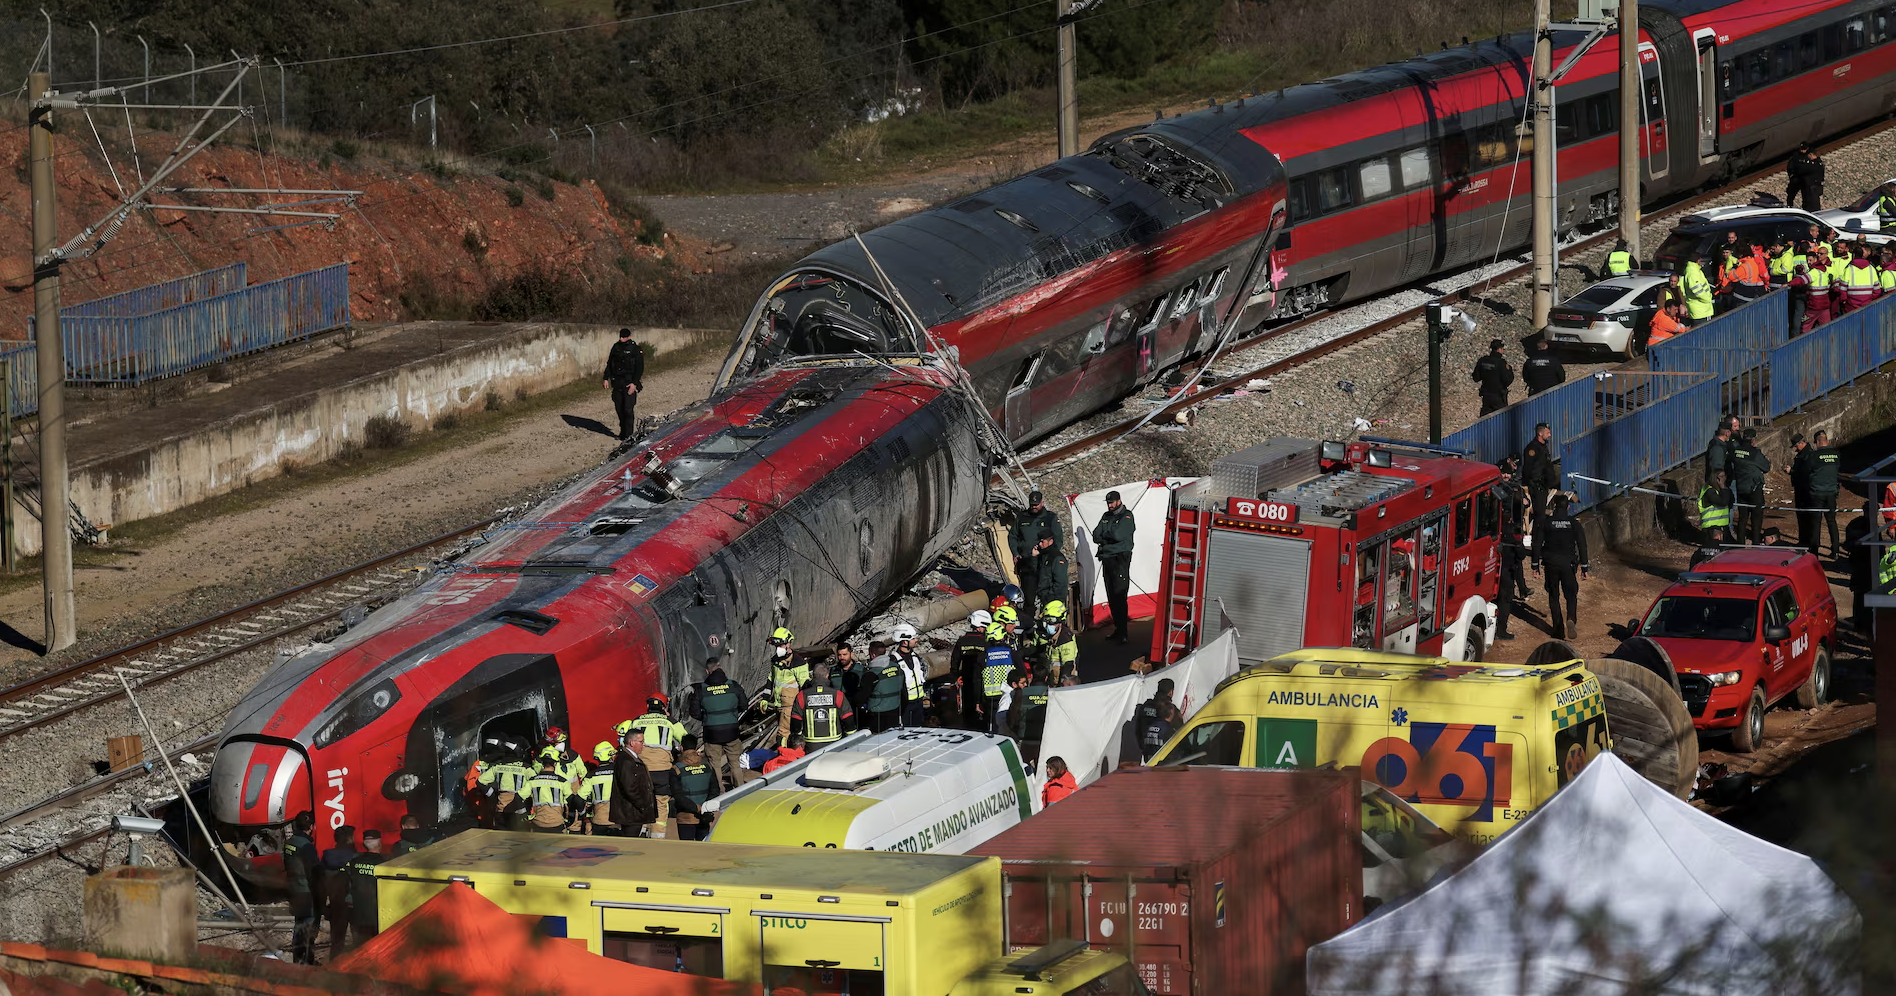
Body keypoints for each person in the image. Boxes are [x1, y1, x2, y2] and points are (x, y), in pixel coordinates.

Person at [1531, 493, 1589, 640]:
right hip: (1568, 564)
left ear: (1554, 506)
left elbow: (1537, 543)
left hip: (1551, 564)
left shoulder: (1546, 522)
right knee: (1571, 594)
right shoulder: (1573, 523)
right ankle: (1571, 618)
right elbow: (1582, 544)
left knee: (1553, 596)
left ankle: (1558, 629)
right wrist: (1584, 567)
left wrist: (1534, 565)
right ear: (1568, 507)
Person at [1008, 491, 1069, 621]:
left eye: (1037, 504)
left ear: (1042, 502)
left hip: (1044, 564)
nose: (1034, 507)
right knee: (1028, 600)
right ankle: (1029, 629)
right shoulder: (1022, 517)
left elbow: (1058, 540)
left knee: (1046, 596)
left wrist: (1050, 556)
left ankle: (1049, 623)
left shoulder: (1050, 517)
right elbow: (1012, 537)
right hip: (1028, 564)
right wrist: (1016, 554)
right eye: (1032, 504)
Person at [693, 661, 750, 792]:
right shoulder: (733, 685)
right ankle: (739, 788)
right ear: (721, 667)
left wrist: (707, 718)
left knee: (715, 764)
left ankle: (719, 791)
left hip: (711, 732)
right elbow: (744, 705)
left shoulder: (701, 689)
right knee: (735, 763)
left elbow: (694, 711)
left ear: (707, 671)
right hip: (731, 731)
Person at [1091, 490, 1137, 643]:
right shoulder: (1106, 516)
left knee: (1119, 595)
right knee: (1111, 595)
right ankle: (1118, 629)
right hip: (1107, 558)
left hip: (1120, 559)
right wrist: (1108, 536)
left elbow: (1118, 536)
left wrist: (1106, 536)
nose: (1110, 505)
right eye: (1108, 503)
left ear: (1119, 501)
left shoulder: (1127, 516)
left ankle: (1123, 632)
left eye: (1112, 502)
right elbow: (1095, 535)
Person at [1495, 456, 1529, 641]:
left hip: (1500, 562)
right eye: (1504, 473)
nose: (1506, 476)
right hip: (1506, 565)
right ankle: (1500, 631)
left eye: (1508, 473)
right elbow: (1521, 552)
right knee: (1506, 597)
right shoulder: (1512, 531)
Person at [283, 811, 322, 965]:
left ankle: (298, 960)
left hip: (293, 891)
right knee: (308, 928)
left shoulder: (289, 843)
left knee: (299, 926)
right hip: (306, 893)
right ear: (311, 827)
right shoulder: (307, 847)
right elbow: (315, 873)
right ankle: (306, 962)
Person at [793, 663, 855, 746]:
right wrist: (851, 739)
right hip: (834, 743)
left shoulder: (802, 695)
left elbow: (796, 720)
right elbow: (848, 718)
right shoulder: (837, 695)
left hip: (811, 744)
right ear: (827, 675)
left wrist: (799, 738)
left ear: (812, 675)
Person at [321, 826, 359, 962]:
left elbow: (320, 881)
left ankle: (334, 971)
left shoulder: (327, 856)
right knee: (359, 942)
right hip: (354, 904)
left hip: (336, 903)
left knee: (337, 942)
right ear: (350, 839)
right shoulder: (356, 857)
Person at [610, 732, 658, 837]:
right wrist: (643, 805)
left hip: (634, 813)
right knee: (630, 844)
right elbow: (629, 788)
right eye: (641, 742)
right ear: (632, 742)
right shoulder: (626, 761)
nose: (644, 744)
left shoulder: (633, 759)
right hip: (631, 814)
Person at [766, 627, 808, 747]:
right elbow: (771, 679)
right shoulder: (775, 661)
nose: (778, 649)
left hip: (791, 707)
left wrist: (801, 708)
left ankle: (785, 757)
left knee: (784, 735)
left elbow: (804, 686)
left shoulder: (798, 663)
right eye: (777, 646)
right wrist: (765, 698)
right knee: (785, 734)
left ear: (789, 644)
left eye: (781, 645)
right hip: (779, 705)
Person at [601, 328, 645, 440]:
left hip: (629, 383)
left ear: (629, 336)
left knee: (628, 409)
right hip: (617, 382)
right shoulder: (616, 347)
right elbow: (610, 363)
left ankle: (629, 435)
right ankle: (623, 433)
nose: (622, 338)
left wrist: (634, 383)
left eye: (624, 336)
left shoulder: (635, 349)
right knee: (619, 409)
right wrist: (606, 378)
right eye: (621, 336)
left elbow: (639, 368)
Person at [345, 830, 385, 949]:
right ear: (380, 843)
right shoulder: (385, 864)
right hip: (376, 915)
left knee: (359, 948)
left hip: (357, 913)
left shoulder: (354, 862)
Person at [1728, 428, 1769, 545]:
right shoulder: (1755, 453)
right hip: (1754, 489)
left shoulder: (1736, 451)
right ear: (1753, 440)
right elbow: (1766, 468)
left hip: (1741, 488)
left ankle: (1740, 543)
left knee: (1742, 518)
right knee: (1756, 519)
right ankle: (1756, 543)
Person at [671, 739, 717, 841]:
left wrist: (695, 808)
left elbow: (678, 796)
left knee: (687, 850)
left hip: (685, 817)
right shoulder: (708, 766)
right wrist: (705, 808)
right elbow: (715, 790)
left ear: (681, 748)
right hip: (704, 816)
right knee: (703, 849)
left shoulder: (676, 769)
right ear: (696, 749)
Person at [1807, 429, 1842, 558]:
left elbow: (1808, 470)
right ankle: (1836, 550)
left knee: (1816, 523)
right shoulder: (1836, 454)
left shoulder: (1814, 456)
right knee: (1832, 521)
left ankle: (1814, 552)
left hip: (1817, 493)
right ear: (1827, 441)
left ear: (1817, 442)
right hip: (1832, 493)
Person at [956, 610, 993, 729]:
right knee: (983, 711)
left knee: (968, 714)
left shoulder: (962, 641)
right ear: (981, 626)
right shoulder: (987, 642)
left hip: (967, 682)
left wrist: (956, 676)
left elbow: (954, 662)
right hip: (984, 682)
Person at [887, 625, 929, 727]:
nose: (916, 640)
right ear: (905, 642)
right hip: (905, 704)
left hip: (918, 702)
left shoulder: (915, 656)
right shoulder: (894, 660)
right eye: (913, 638)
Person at [524, 753, 574, 833]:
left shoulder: (532, 780)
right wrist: (569, 819)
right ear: (555, 764)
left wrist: (527, 817)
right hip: (557, 824)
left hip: (538, 823)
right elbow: (572, 801)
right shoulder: (562, 781)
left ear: (542, 764)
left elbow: (519, 798)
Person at [1030, 600, 1079, 681]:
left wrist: (1063, 685)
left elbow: (1068, 665)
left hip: (1061, 679)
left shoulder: (1066, 639)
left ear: (1060, 622)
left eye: (1051, 621)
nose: (1047, 624)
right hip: (1045, 679)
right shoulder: (1040, 633)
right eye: (1046, 620)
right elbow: (1034, 651)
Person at [864, 644, 905, 733]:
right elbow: (904, 694)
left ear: (873, 655)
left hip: (876, 717)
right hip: (895, 713)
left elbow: (860, 698)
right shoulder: (898, 668)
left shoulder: (871, 674)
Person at [981, 622, 1015, 725]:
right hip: (1009, 695)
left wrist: (978, 701)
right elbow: (1021, 672)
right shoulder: (1011, 653)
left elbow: (977, 680)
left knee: (992, 726)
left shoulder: (983, 656)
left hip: (990, 698)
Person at [582, 741, 619, 836]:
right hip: (618, 821)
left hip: (599, 821)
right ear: (610, 756)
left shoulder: (590, 776)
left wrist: (587, 820)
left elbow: (581, 799)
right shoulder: (620, 773)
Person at [1521, 422, 1557, 519]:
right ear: (1540, 433)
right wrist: (1529, 483)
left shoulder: (1543, 447)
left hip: (1544, 485)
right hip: (1537, 486)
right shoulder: (1532, 448)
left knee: (1542, 514)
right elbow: (1528, 468)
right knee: (1539, 515)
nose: (1550, 435)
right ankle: (1538, 534)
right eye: (1547, 433)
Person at [1470, 338, 1514, 415]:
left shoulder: (1483, 361)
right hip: (1498, 396)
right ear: (1499, 349)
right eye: (1502, 349)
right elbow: (1507, 380)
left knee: (1485, 419)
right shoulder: (1501, 363)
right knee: (1501, 418)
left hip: (1486, 395)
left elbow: (1476, 378)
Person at [1788, 433, 1816, 551]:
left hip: (1805, 489)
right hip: (1801, 488)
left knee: (1807, 516)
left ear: (1801, 443)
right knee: (1801, 515)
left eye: (1795, 446)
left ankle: (1808, 541)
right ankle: (1803, 540)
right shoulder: (1803, 454)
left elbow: (1804, 472)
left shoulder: (1808, 455)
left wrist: (1792, 471)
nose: (1795, 448)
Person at [1697, 468, 1735, 547]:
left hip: (1723, 527)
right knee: (1713, 550)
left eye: (1724, 476)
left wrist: (1725, 489)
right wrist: (1723, 487)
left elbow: (1730, 502)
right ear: (1716, 478)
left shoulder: (1722, 490)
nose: (1724, 478)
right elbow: (1723, 502)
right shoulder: (1709, 490)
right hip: (1711, 528)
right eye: (1721, 476)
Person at [1840, 243, 1882, 313]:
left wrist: (1844, 301)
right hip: (1868, 305)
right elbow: (1877, 290)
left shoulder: (1849, 269)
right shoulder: (1871, 268)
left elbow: (1842, 288)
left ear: (1854, 255)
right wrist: (1870, 299)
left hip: (1851, 305)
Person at [1135, 697, 1179, 761]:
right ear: (1171, 712)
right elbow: (1174, 752)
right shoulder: (1169, 730)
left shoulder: (1148, 728)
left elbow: (1143, 744)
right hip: (1162, 765)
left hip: (1149, 762)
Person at [1785, 141, 1824, 209]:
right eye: (1801, 149)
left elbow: (1811, 169)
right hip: (1797, 179)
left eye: (1804, 149)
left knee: (1809, 198)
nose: (1802, 151)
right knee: (1791, 193)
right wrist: (1792, 176)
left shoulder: (1812, 159)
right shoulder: (1796, 156)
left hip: (1807, 181)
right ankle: (1789, 205)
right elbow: (1790, 166)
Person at [994, 668, 1029, 737]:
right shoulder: (1007, 698)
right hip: (1008, 736)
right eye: (1022, 683)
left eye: (1026, 682)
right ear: (1014, 684)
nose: (1025, 685)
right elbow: (1000, 719)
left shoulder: (1015, 694)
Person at [1682, 256, 1715, 322]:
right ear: (1697, 260)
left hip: (1701, 309)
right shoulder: (1692, 273)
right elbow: (1698, 291)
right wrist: (1708, 299)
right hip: (1700, 311)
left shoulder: (1695, 270)